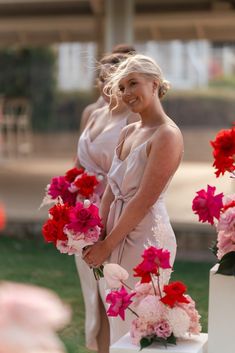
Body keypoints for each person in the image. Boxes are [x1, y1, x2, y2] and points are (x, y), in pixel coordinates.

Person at [83, 54, 184, 348]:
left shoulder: (167, 135)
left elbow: (143, 200)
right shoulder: (128, 131)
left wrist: (106, 245)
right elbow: (112, 190)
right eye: (122, 87)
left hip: (146, 241)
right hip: (114, 235)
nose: (127, 93)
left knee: (139, 324)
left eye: (133, 84)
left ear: (155, 83)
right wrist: (95, 234)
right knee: (117, 321)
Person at [75, 52, 139, 353]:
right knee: (94, 300)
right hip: (82, 217)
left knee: (114, 296)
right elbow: (77, 164)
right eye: (102, 78)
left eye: (112, 80)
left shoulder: (134, 119)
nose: (105, 85)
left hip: (112, 215)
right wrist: (66, 200)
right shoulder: (92, 113)